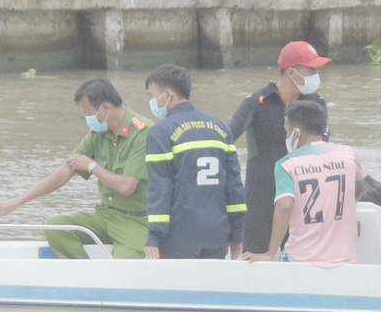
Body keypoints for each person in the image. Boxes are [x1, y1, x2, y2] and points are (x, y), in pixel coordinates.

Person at [0, 77, 152, 258]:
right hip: (106, 215)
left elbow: (126, 187)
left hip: (136, 219)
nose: (88, 119)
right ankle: (85, 278)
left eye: (88, 113)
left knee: (126, 263)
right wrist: (16, 202)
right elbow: (63, 173)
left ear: (105, 108)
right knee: (54, 228)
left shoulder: (143, 133)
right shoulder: (99, 133)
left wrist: (91, 166)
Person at [226, 40, 331, 258]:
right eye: (311, 69)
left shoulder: (316, 103)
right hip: (261, 200)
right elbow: (225, 139)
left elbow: (323, 149)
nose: (316, 74)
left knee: (302, 264)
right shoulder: (257, 101)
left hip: (305, 197)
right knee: (256, 265)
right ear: (292, 72)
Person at [141, 63, 246, 259]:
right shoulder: (221, 128)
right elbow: (234, 187)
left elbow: (160, 187)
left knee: (177, 288)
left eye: (153, 96)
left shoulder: (161, 133)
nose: (153, 102)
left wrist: (154, 236)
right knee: (212, 288)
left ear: (168, 94)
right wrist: (236, 233)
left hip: (179, 236)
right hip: (216, 234)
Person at [250, 99, 362, 265]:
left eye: (287, 131)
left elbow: (285, 206)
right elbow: (358, 188)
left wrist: (270, 253)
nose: (287, 136)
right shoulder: (349, 154)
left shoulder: (286, 164)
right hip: (344, 258)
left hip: (300, 259)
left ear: (296, 132)